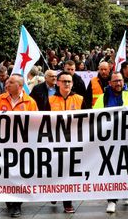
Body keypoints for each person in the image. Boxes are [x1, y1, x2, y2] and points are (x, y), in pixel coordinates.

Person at [0, 74, 38, 218]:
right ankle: (9, 200)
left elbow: (36, 124)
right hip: (3, 145)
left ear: (20, 86)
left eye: (11, 82)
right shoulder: (0, 99)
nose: (7, 84)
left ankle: (17, 204)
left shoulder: (30, 102)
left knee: (19, 174)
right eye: (7, 82)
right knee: (5, 173)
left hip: (22, 146)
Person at [93, 72, 128, 213]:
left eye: (120, 80)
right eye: (115, 81)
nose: (118, 83)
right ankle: (112, 200)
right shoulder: (102, 99)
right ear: (110, 83)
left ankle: (126, 191)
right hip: (109, 141)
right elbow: (94, 117)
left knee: (127, 167)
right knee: (111, 169)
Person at [48, 72, 86, 213]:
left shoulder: (80, 99)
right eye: (64, 81)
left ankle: (67, 202)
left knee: (68, 172)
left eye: (69, 81)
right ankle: (54, 192)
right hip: (55, 142)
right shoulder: (50, 100)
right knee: (55, 170)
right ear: (57, 83)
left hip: (73, 142)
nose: (67, 84)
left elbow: (89, 119)